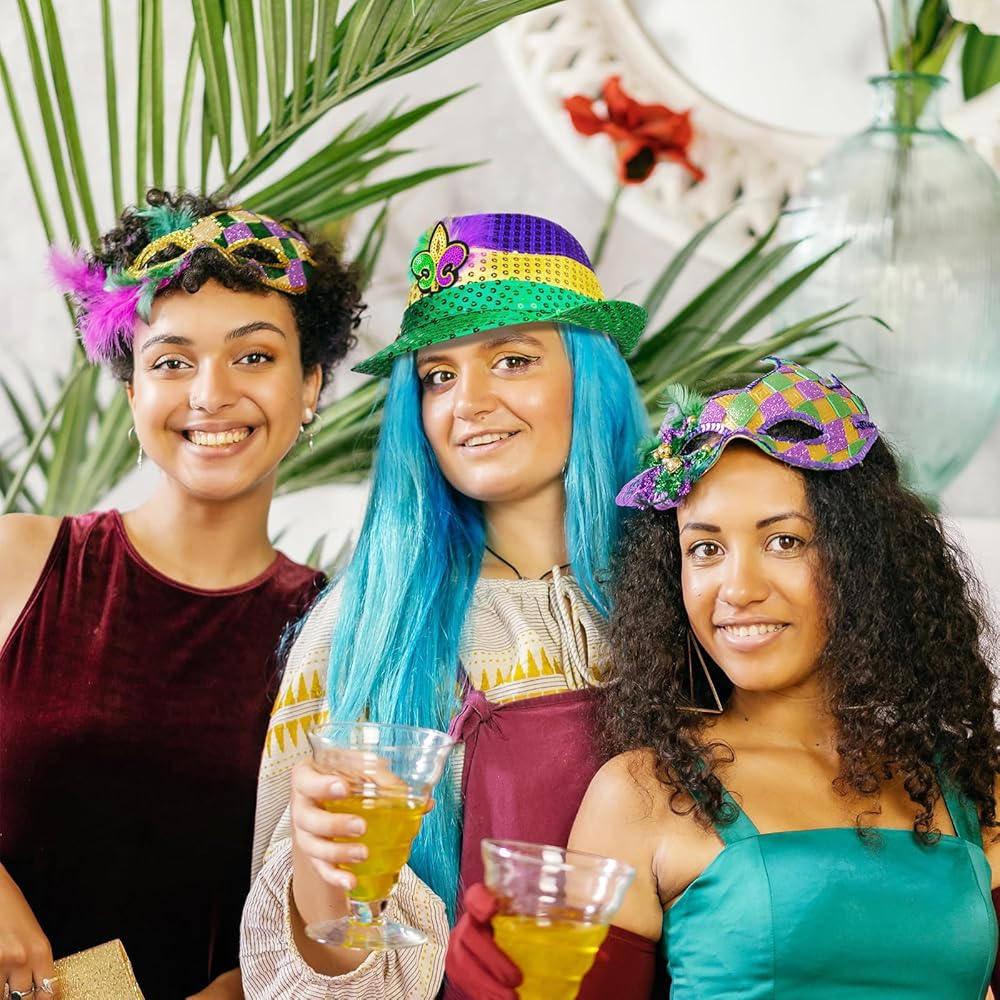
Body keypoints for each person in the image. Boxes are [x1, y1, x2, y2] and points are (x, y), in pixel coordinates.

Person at [240, 212, 655, 999]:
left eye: (513, 359)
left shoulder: (695, 592)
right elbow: (309, 976)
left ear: (590, 377)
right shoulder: (364, 628)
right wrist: (326, 881)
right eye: (438, 375)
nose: (469, 401)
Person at [0, 189, 362, 1000]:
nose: (209, 394)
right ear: (134, 392)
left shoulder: (336, 637)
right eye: (171, 361)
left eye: (254, 357)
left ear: (310, 386)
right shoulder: (20, 560)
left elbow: (323, 914)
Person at [562, 358, 1000, 997]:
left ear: (863, 557)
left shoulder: (972, 786)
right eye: (705, 548)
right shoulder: (640, 793)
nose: (738, 589)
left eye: (785, 541)